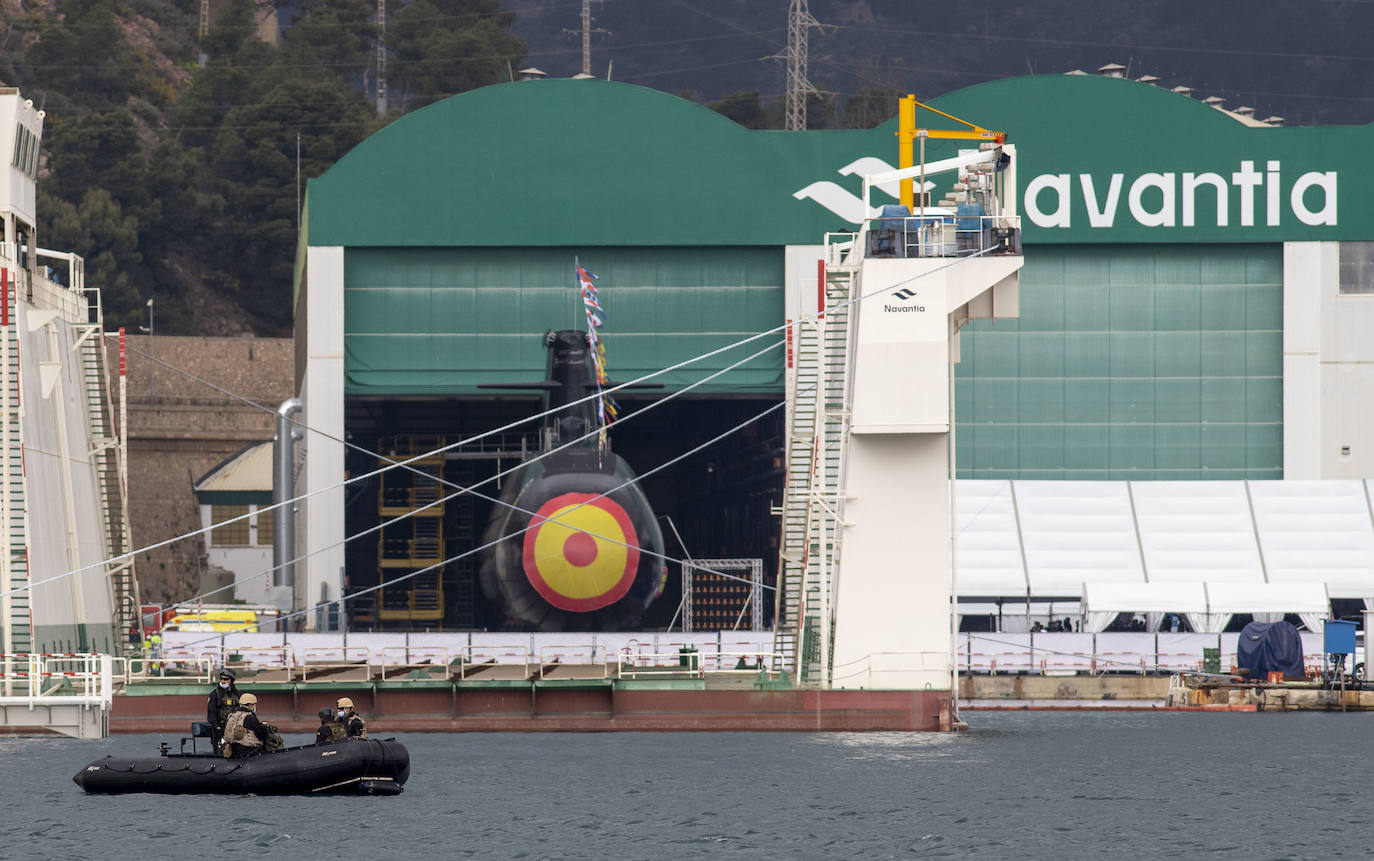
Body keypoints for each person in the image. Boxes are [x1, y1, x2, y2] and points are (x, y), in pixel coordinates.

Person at [221, 693, 281, 758]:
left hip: (233, 748)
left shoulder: (232, 715)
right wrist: (266, 729)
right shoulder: (250, 717)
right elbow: (261, 734)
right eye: (254, 704)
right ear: (250, 705)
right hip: (248, 750)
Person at [206, 668, 240, 752]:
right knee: (220, 750)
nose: (223, 681)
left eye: (226, 679)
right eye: (222, 679)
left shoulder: (237, 694)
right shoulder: (215, 694)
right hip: (220, 728)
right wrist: (216, 725)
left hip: (234, 727)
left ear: (231, 680)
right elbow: (211, 711)